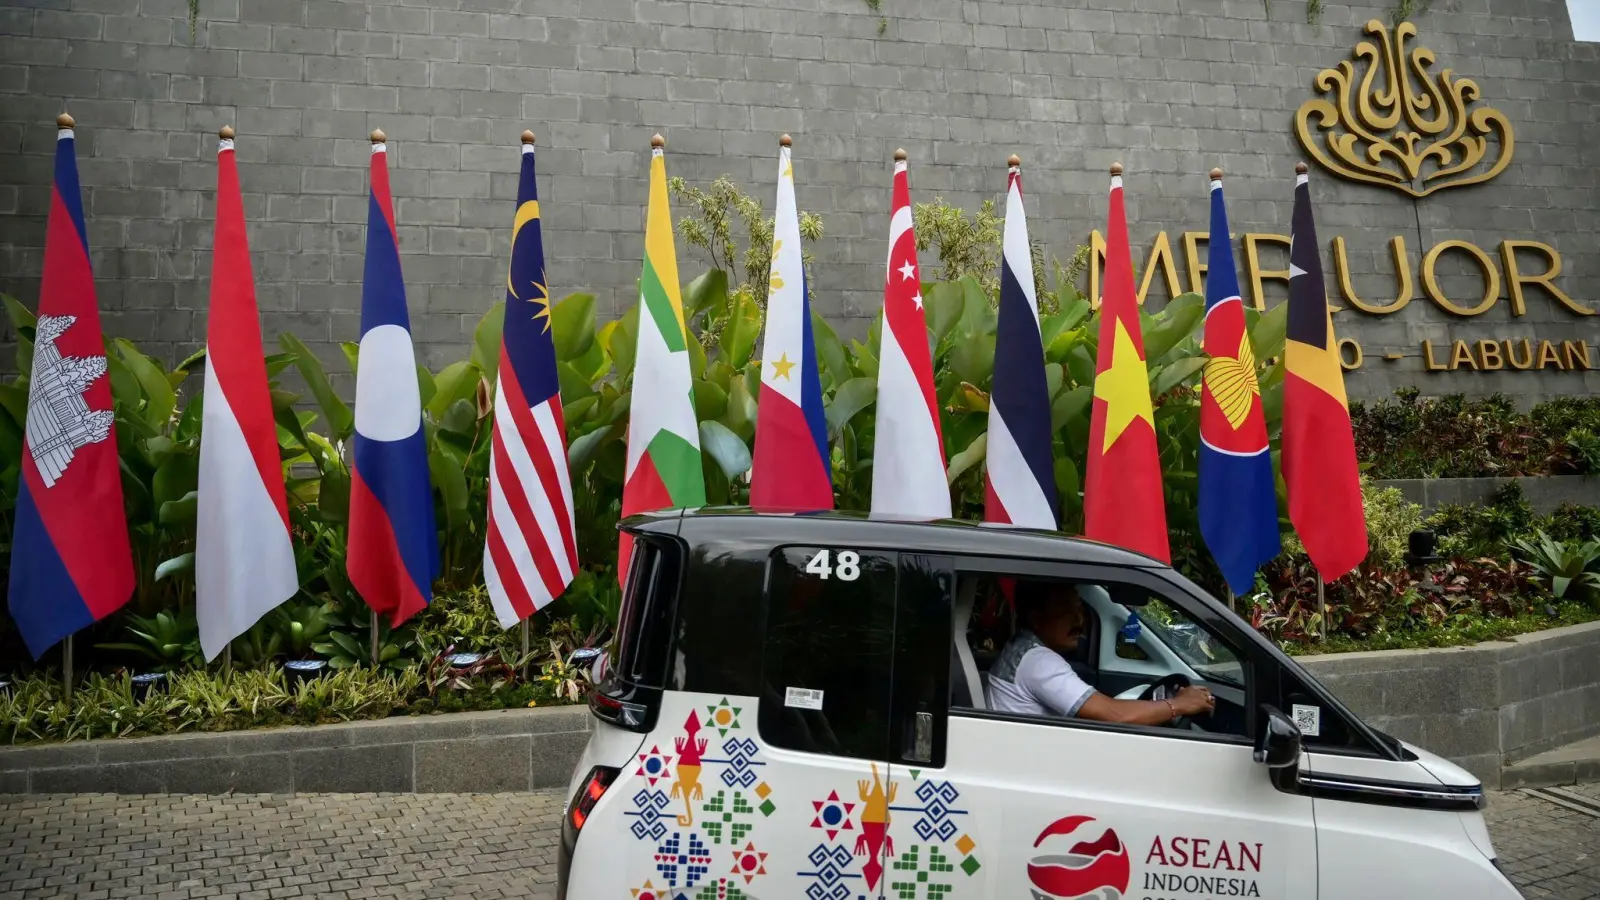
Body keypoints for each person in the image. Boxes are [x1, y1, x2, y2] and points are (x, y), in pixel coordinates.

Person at [985, 580, 1216, 726]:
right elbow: (1116, 715)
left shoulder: (1022, 650)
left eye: (1079, 609)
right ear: (1036, 618)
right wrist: (1178, 705)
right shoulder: (1038, 662)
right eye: (1066, 610)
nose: (1079, 620)